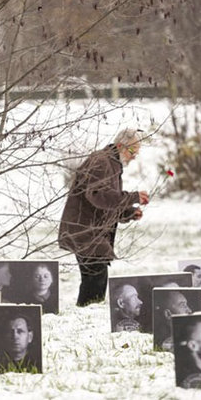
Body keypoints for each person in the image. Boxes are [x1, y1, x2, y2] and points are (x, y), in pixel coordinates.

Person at [58, 128, 150, 306]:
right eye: (132, 152)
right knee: (95, 281)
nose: (134, 157)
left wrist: (129, 212)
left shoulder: (111, 162)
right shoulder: (101, 162)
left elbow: (106, 202)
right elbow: (99, 196)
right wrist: (133, 197)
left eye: (136, 153)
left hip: (92, 234)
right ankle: (85, 314)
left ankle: (86, 312)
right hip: (85, 232)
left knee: (96, 280)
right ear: (120, 146)